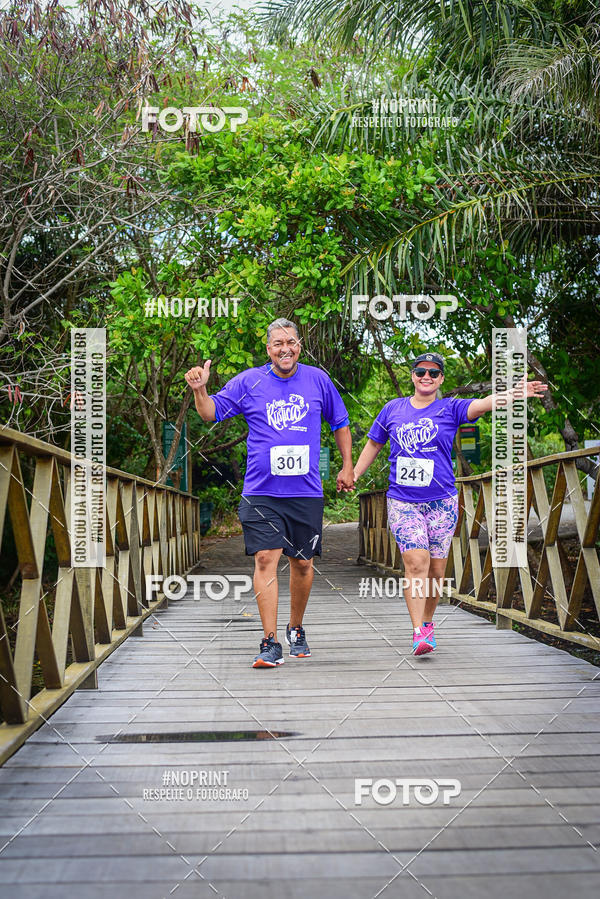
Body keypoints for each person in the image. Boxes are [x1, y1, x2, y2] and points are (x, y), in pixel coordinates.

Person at [184, 318, 354, 668]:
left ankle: (295, 627)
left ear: (300, 346)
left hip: (305, 492)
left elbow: (340, 423)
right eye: (278, 343)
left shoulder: (318, 380)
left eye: (291, 342)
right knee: (265, 559)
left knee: (303, 564)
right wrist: (200, 389)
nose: (285, 348)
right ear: (268, 349)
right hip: (261, 491)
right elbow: (210, 413)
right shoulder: (250, 381)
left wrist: (347, 465)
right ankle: (270, 641)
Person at [353, 351, 548, 656]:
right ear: (412, 376)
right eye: (421, 372)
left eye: (433, 373)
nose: (426, 377)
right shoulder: (393, 409)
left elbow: (483, 403)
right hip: (403, 501)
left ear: (441, 378)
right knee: (416, 563)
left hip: (442, 501)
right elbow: (375, 443)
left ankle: (428, 623)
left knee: (436, 571)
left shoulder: (451, 408)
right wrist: (353, 473)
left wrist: (514, 394)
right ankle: (418, 632)